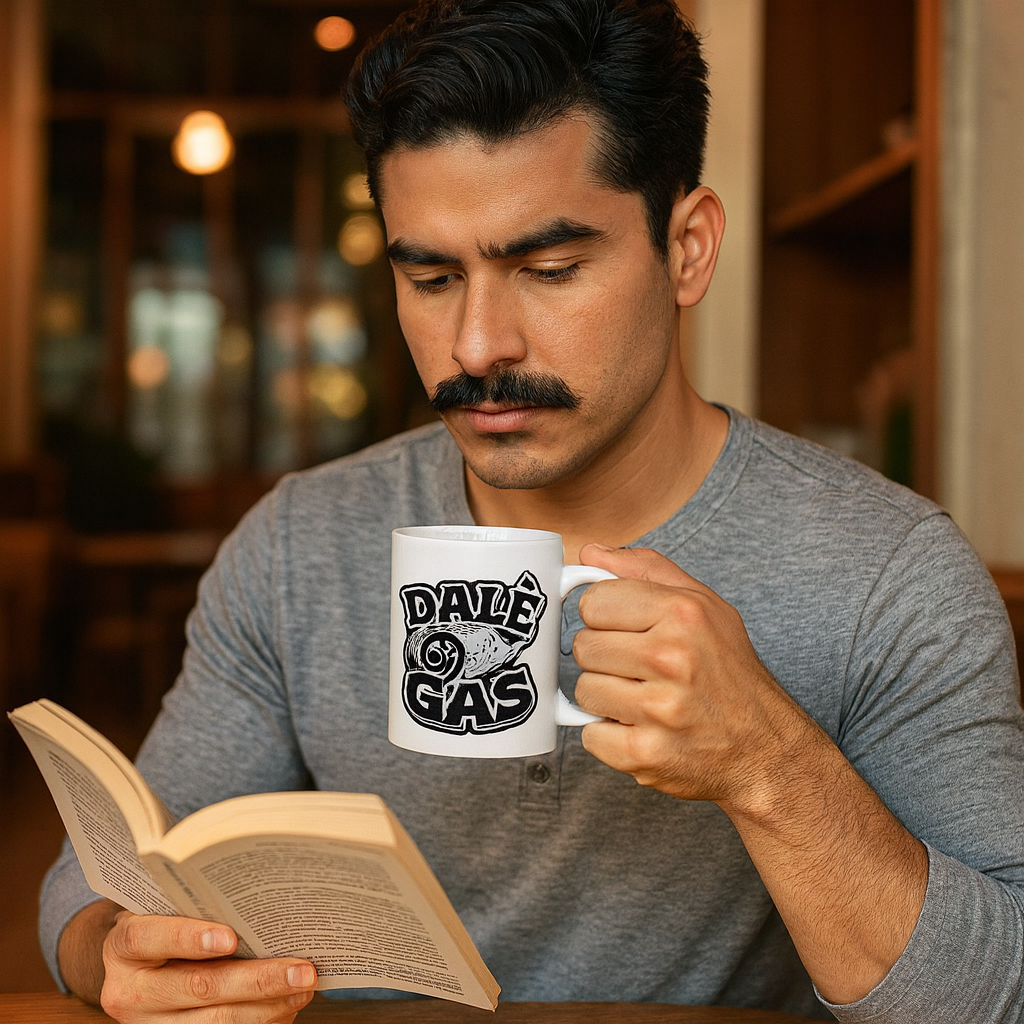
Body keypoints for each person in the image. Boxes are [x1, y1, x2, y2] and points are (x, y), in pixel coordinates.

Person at [40, 1, 1024, 1022]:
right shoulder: (301, 545)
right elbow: (93, 881)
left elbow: (1001, 991)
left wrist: (768, 766)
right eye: (431, 277)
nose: (476, 346)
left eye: (548, 271)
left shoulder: (887, 573)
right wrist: (116, 951)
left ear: (687, 248)